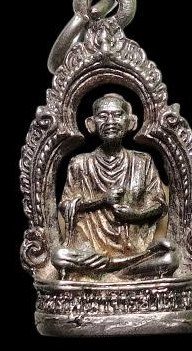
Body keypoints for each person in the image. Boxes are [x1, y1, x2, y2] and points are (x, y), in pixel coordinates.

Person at [52, 93, 179, 280]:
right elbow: (65, 206)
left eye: (118, 115)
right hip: (90, 252)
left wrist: (135, 214)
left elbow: (160, 205)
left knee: (169, 259)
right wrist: (101, 201)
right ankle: (120, 272)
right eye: (103, 116)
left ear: (130, 122)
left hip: (134, 251)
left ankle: (111, 271)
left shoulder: (142, 161)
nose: (110, 121)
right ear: (91, 124)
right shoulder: (80, 163)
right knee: (59, 256)